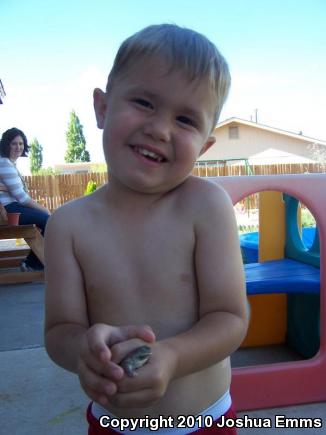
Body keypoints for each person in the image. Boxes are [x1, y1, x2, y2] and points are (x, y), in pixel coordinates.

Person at [44, 24, 248, 434]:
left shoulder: (206, 207)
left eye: (186, 119)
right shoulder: (68, 225)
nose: (160, 129)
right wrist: (83, 350)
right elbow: (59, 331)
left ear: (206, 145)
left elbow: (229, 319)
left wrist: (172, 356)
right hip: (113, 424)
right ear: (102, 108)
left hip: (203, 421)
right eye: (143, 102)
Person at [0, 128, 50, 270]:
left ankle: (32, 262)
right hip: (9, 210)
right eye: (14, 143)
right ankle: (32, 264)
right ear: (6, 145)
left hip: (12, 207)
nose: (18, 147)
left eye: (21, 144)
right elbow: (23, 198)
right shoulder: (5, 164)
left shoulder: (8, 163)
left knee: (47, 220)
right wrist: (45, 210)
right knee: (49, 220)